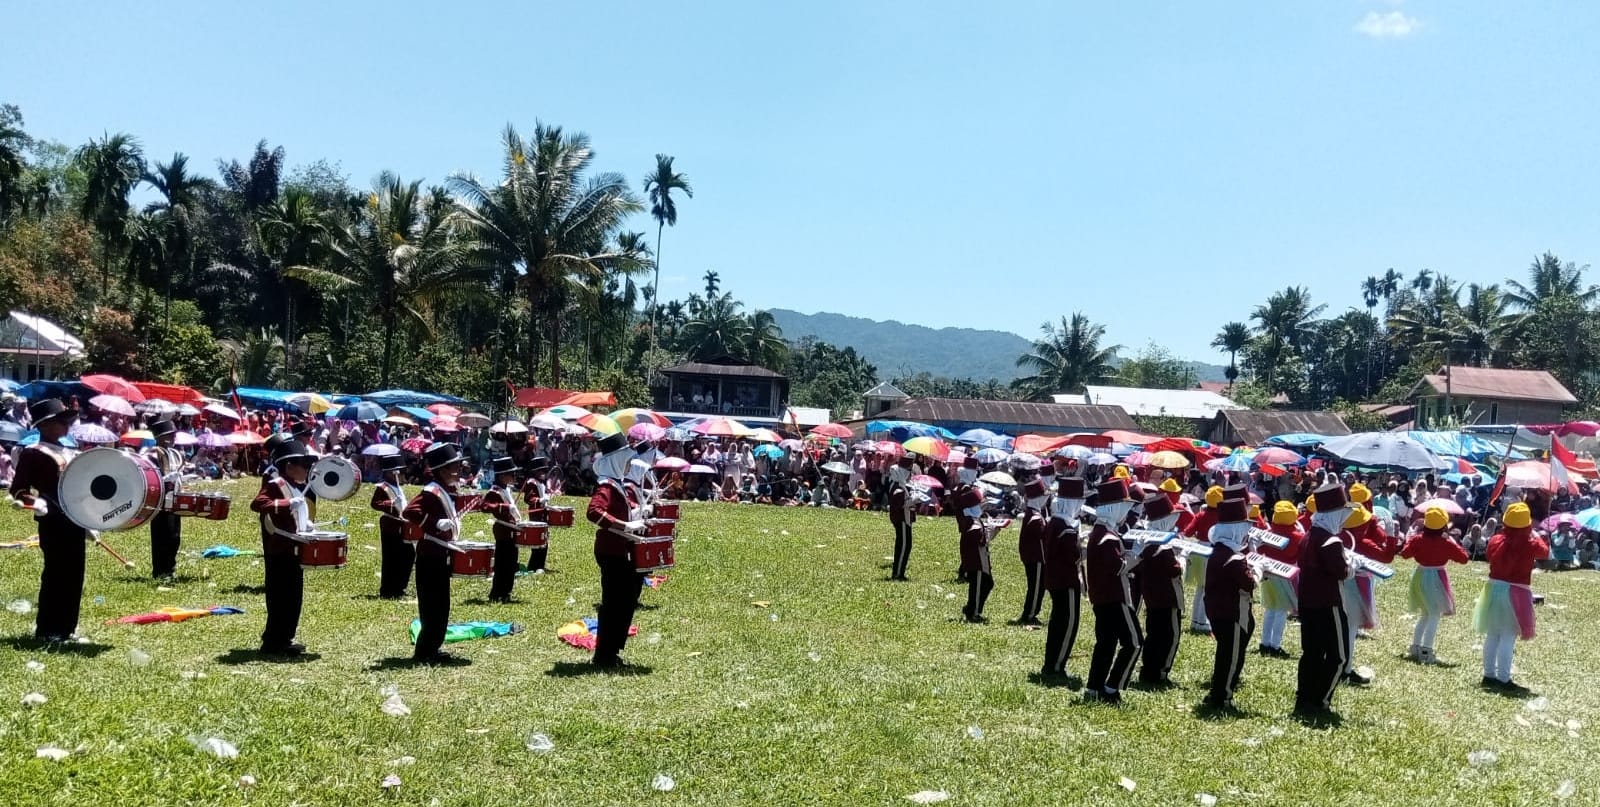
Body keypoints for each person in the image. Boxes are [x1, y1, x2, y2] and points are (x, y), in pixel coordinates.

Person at [8, 399, 85, 643]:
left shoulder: (70, 451)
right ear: (46, 425)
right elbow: (18, 490)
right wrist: (36, 503)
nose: (67, 425)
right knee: (56, 573)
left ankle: (68, 628)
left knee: (75, 574)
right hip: (51, 519)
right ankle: (48, 629)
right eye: (62, 421)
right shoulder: (34, 453)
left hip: (75, 518)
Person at [1293, 482, 1355, 720]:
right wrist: (1351, 566)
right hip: (1329, 603)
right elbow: (1341, 571)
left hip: (1307, 603)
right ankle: (1320, 700)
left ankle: (1304, 698)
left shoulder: (1308, 536)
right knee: (1338, 656)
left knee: (1311, 653)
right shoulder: (1331, 541)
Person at [404, 443, 470, 664]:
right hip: (430, 555)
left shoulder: (444, 490)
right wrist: (433, 523)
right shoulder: (431, 491)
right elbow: (410, 511)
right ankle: (424, 651)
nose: (459, 471)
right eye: (454, 467)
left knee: (442, 605)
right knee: (432, 606)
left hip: (441, 554)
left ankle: (433, 647)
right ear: (442, 470)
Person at [250, 439, 317, 656]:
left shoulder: (295, 487)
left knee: (293, 597)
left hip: (294, 548)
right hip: (279, 550)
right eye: (303, 465)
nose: (307, 470)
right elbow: (258, 504)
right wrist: (285, 504)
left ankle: (286, 638)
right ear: (289, 466)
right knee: (280, 596)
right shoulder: (276, 484)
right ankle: (273, 641)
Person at [586, 433, 647, 669]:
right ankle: (604, 655)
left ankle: (613, 651)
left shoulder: (617, 484)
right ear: (617, 460)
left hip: (621, 551)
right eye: (627, 459)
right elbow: (593, 512)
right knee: (614, 604)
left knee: (626, 600)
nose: (630, 463)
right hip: (611, 552)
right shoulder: (606, 487)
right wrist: (625, 526)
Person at [1474, 502, 1549, 693]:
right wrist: (1536, 534)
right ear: (1527, 524)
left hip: (1493, 588)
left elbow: (1490, 556)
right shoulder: (1530, 542)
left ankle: (1488, 675)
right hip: (1517, 590)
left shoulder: (1497, 540)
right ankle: (1503, 678)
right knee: (1508, 635)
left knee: (1493, 633)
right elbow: (1545, 552)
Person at [1084, 478, 1141, 705]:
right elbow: (1117, 567)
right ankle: (1112, 688)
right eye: (1123, 509)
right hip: (1115, 597)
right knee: (1134, 642)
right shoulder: (1106, 537)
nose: (1125, 514)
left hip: (1101, 597)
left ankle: (1094, 687)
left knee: (1106, 643)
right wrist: (1138, 554)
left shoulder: (1101, 531)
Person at [1204, 495, 1259, 711]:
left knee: (1227, 653)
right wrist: (1257, 572)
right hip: (1231, 612)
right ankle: (1222, 696)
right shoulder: (1233, 557)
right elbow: (1247, 584)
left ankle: (1219, 692)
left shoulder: (1220, 550)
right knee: (1230, 656)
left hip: (1218, 610)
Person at [1402, 507, 1470, 665]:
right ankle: (1427, 651)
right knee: (1433, 615)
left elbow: (1405, 554)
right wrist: (1452, 540)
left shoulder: (1417, 539)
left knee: (1425, 614)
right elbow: (1464, 558)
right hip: (1437, 577)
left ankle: (1415, 648)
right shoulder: (1445, 543)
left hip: (1419, 575)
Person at [1040, 477, 1086, 679]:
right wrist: (1083, 548)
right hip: (1066, 581)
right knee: (1068, 623)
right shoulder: (1066, 528)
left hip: (1053, 578)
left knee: (1057, 621)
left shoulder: (1053, 522)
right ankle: (1056, 665)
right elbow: (1073, 556)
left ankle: (1052, 662)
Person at [1135, 493, 1183, 687]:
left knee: (1154, 634)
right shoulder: (1161, 547)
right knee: (1170, 636)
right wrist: (1182, 559)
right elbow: (1174, 570)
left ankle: (1148, 670)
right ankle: (1160, 672)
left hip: (1153, 598)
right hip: (1168, 598)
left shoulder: (1147, 543)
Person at [1257, 501, 1303, 657]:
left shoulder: (1268, 534)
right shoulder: (1297, 536)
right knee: (1281, 612)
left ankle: (1264, 643)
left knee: (1270, 609)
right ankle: (1275, 646)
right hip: (1286, 576)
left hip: (1268, 573)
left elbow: (1260, 549)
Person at [144, 418, 185, 582]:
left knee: (174, 535)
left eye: (173, 436)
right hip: (160, 500)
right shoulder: (152, 454)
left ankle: (171, 566)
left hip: (174, 497)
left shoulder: (174, 453)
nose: (172, 439)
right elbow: (150, 476)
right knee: (162, 534)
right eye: (169, 435)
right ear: (160, 437)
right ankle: (161, 570)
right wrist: (166, 478)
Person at [483, 456, 528, 603]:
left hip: (511, 531)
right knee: (502, 564)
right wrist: (504, 507)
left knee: (511, 564)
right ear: (502, 475)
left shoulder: (506, 490)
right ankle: (496, 593)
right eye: (511, 474)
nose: (514, 477)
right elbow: (484, 506)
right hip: (503, 532)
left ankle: (506, 591)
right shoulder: (494, 492)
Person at [1181, 486, 1225, 633]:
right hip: (1213, 551)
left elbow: (1187, 532)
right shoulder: (1222, 517)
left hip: (1198, 550)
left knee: (1200, 588)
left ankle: (1195, 620)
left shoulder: (1200, 515)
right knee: (1208, 589)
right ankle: (1203, 622)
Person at [370, 453, 413, 599]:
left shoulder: (398, 487)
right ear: (388, 472)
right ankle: (388, 589)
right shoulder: (383, 487)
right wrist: (391, 504)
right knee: (391, 558)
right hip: (390, 526)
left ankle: (400, 586)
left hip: (402, 525)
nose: (400, 474)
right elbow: (375, 504)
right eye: (397, 471)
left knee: (408, 555)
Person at [955, 486, 994, 622]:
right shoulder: (972, 523)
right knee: (977, 587)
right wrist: (990, 532)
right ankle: (973, 613)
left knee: (987, 584)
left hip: (980, 559)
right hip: (976, 561)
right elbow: (979, 539)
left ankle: (971, 608)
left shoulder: (974, 519)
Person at [1016, 478, 1049, 625]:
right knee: (1036, 587)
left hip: (1034, 556)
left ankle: (1032, 612)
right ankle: (1029, 614)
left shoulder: (1034, 513)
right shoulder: (1035, 517)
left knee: (1038, 586)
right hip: (1035, 557)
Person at [520, 456, 552, 573]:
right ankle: (533, 566)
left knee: (544, 542)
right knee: (537, 542)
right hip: (536, 515)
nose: (543, 473)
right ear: (534, 471)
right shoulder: (531, 483)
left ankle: (541, 565)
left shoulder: (541, 483)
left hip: (543, 515)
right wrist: (540, 500)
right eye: (541, 470)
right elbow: (529, 498)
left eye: (545, 470)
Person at [887, 458, 915, 581]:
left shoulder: (900, 483)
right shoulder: (897, 485)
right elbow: (898, 503)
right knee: (904, 545)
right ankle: (898, 573)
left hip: (904, 517)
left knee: (905, 544)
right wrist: (911, 501)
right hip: (902, 518)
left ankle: (899, 571)